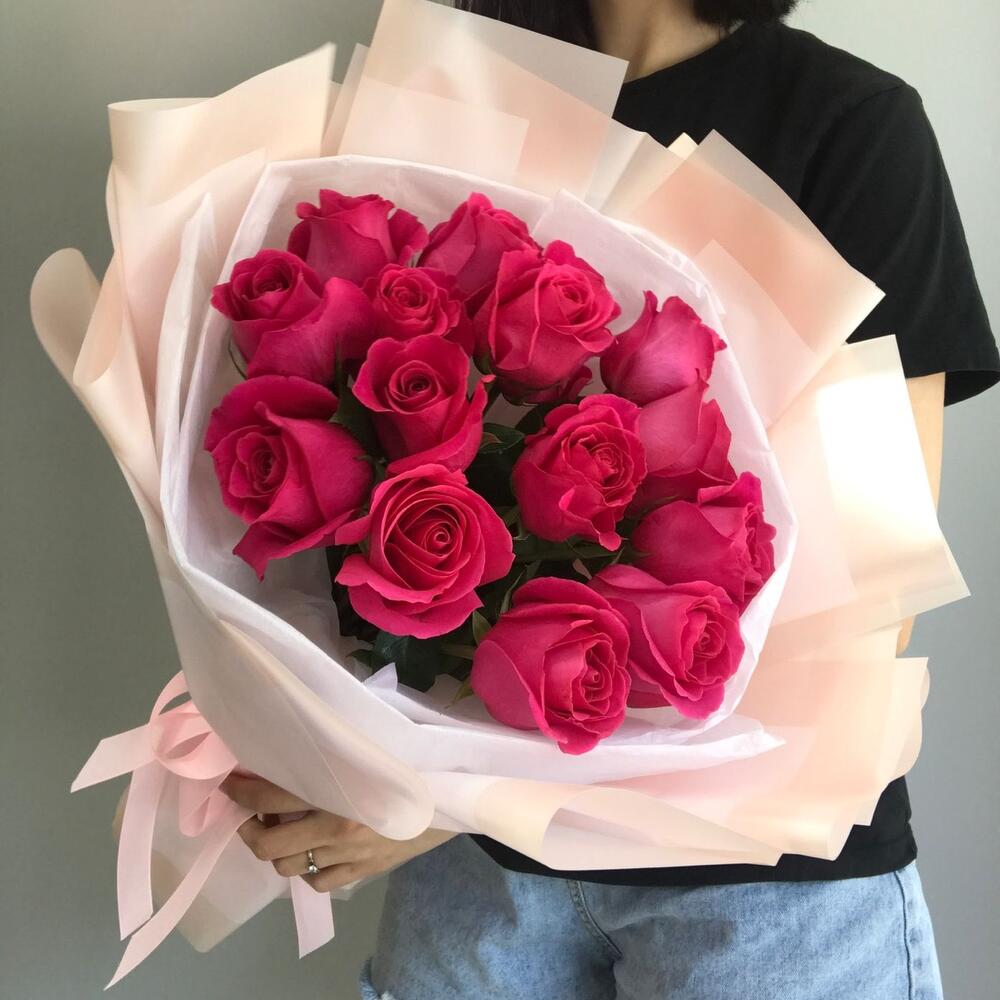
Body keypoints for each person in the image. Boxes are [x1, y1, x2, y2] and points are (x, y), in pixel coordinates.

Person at [222, 2, 1000, 996]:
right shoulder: (460, 99)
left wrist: (456, 798)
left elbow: (870, 603)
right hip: (481, 889)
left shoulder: (847, 126)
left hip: (758, 887)